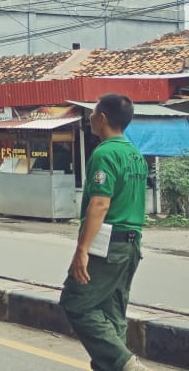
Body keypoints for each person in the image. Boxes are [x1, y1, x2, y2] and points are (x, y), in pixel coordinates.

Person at [59, 94, 150, 371]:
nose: (90, 117)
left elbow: (100, 204)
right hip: (131, 244)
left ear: (103, 118)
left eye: (94, 111)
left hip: (108, 245)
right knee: (112, 315)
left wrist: (82, 250)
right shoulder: (135, 154)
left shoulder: (105, 153)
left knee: (75, 302)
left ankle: (126, 364)